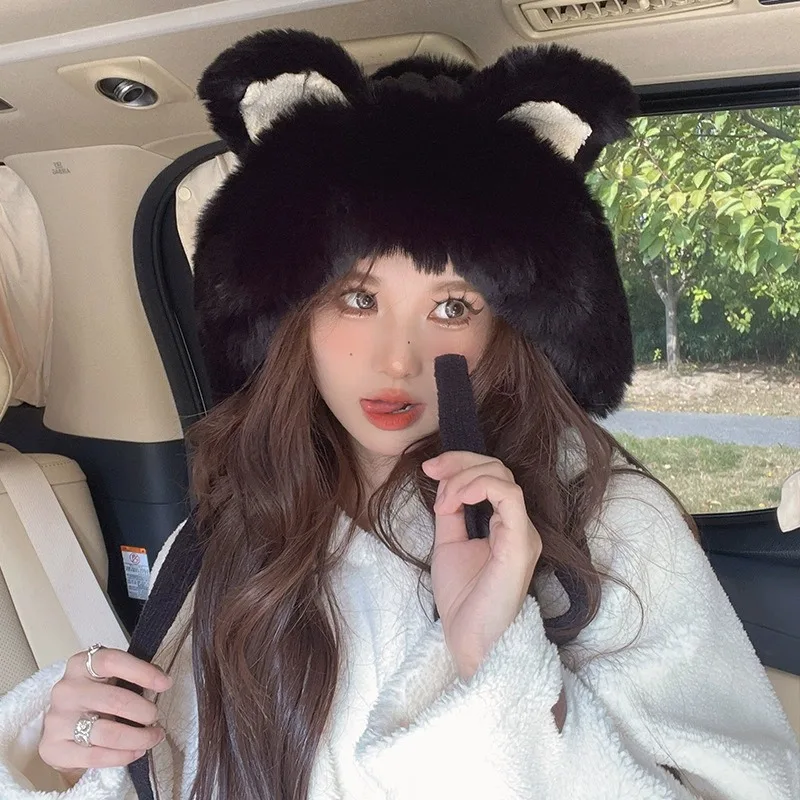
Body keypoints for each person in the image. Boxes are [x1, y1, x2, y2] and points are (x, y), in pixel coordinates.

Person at [0, 28, 798, 800]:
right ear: (291, 312)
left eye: (452, 306)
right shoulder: (225, 530)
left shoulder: (608, 524)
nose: (397, 359)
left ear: (510, 324)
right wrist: (71, 760)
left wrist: (488, 656)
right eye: (358, 297)